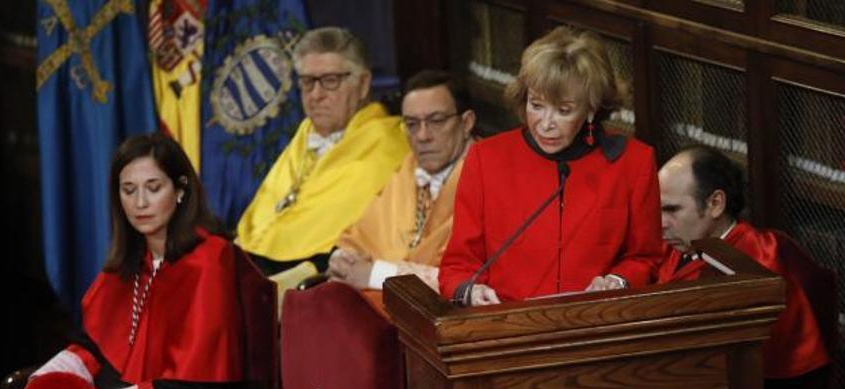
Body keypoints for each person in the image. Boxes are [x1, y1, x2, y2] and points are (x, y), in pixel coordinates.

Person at [0, 134, 249, 389]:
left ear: (180, 190)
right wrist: (50, 378)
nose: (140, 202)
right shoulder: (132, 258)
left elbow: (196, 382)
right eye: (128, 190)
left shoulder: (211, 259)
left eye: (153, 187)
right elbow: (96, 344)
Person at [439, 26, 663, 305]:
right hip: (507, 327)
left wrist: (617, 281)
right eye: (537, 105)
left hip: (596, 327)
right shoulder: (486, 159)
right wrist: (470, 292)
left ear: (591, 108)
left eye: (564, 110)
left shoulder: (634, 163)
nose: (545, 124)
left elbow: (646, 257)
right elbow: (458, 266)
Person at [655, 144, 830, 389]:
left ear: (715, 203)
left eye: (672, 210)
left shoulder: (757, 257)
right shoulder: (684, 243)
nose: (661, 222)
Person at [236, 27, 410, 276]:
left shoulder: (388, 145)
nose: (316, 95)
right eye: (307, 82)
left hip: (320, 273)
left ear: (362, 84)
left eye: (330, 81)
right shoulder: (307, 132)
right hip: (258, 261)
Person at [328, 69, 475, 296]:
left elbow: (469, 282)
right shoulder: (408, 168)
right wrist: (343, 259)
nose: (423, 136)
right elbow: (359, 236)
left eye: (436, 121)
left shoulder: (486, 178)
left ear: (466, 123)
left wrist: (375, 274)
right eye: (412, 124)